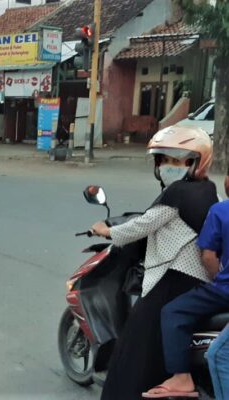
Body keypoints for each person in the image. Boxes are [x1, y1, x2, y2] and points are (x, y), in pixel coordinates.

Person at [91, 126, 217, 400]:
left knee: (135, 344)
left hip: (174, 277)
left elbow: (143, 225)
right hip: (201, 280)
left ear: (196, 162)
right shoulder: (208, 190)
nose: (168, 167)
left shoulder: (177, 194)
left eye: (176, 161)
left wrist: (107, 231)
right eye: (164, 161)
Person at [142, 168, 229, 399]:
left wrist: (217, 278)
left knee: (174, 311)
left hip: (225, 291)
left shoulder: (220, 211)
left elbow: (208, 256)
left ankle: (181, 377)